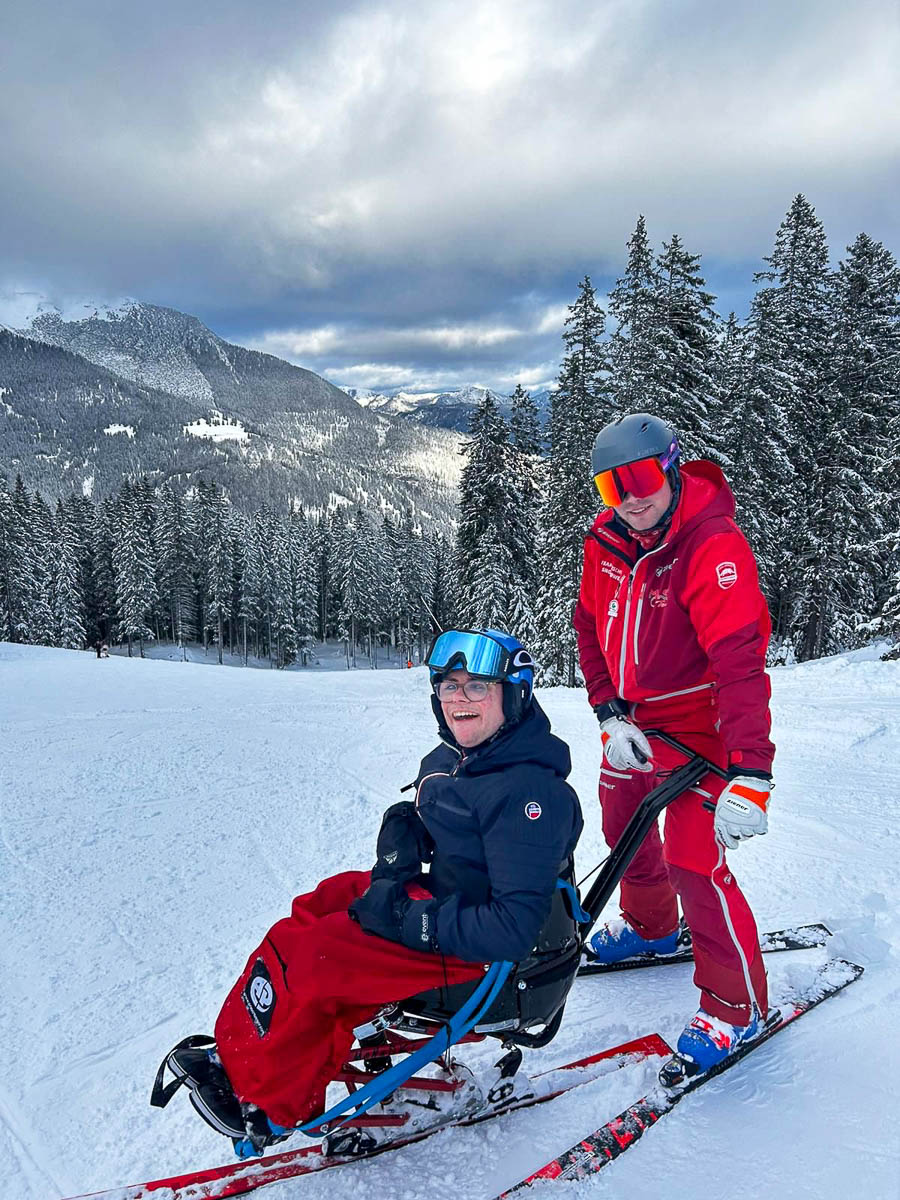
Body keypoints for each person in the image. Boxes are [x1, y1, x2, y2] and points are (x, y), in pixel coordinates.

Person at [159, 629, 583, 1149]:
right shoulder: (470, 755)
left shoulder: (528, 794)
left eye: (478, 687)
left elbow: (511, 929)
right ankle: (238, 1052)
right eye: (449, 686)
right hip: (450, 904)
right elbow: (453, 826)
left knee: (318, 958)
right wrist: (403, 837)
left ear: (513, 694)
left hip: (486, 961)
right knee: (317, 908)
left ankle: (269, 1106)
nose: (459, 700)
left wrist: (408, 918)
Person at [574, 412, 775, 1078]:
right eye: (611, 486)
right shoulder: (605, 541)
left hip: (707, 729)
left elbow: (740, 663)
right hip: (639, 725)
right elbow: (586, 624)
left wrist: (751, 773)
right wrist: (609, 714)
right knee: (620, 819)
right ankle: (652, 925)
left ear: (670, 467)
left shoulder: (710, 546)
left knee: (694, 855)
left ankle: (734, 1006)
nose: (630, 497)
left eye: (639, 478)